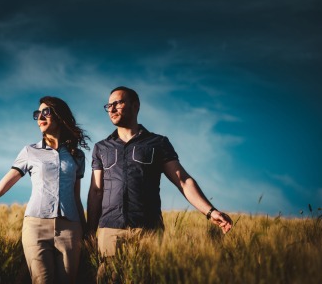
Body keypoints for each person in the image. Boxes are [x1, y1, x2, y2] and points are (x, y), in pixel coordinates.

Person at [0, 96, 90, 284]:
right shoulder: (30, 151)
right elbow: (0, 188)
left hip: (70, 229)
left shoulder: (76, 156)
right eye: (37, 114)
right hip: (36, 228)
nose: (40, 118)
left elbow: (76, 197)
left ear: (60, 116)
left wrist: (86, 230)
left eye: (46, 112)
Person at [87, 86, 233, 262]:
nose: (111, 109)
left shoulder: (157, 143)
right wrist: (89, 232)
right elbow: (96, 191)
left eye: (117, 103)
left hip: (148, 231)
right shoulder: (101, 147)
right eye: (108, 105)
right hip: (110, 232)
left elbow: (183, 181)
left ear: (135, 106)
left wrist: (210, 212)